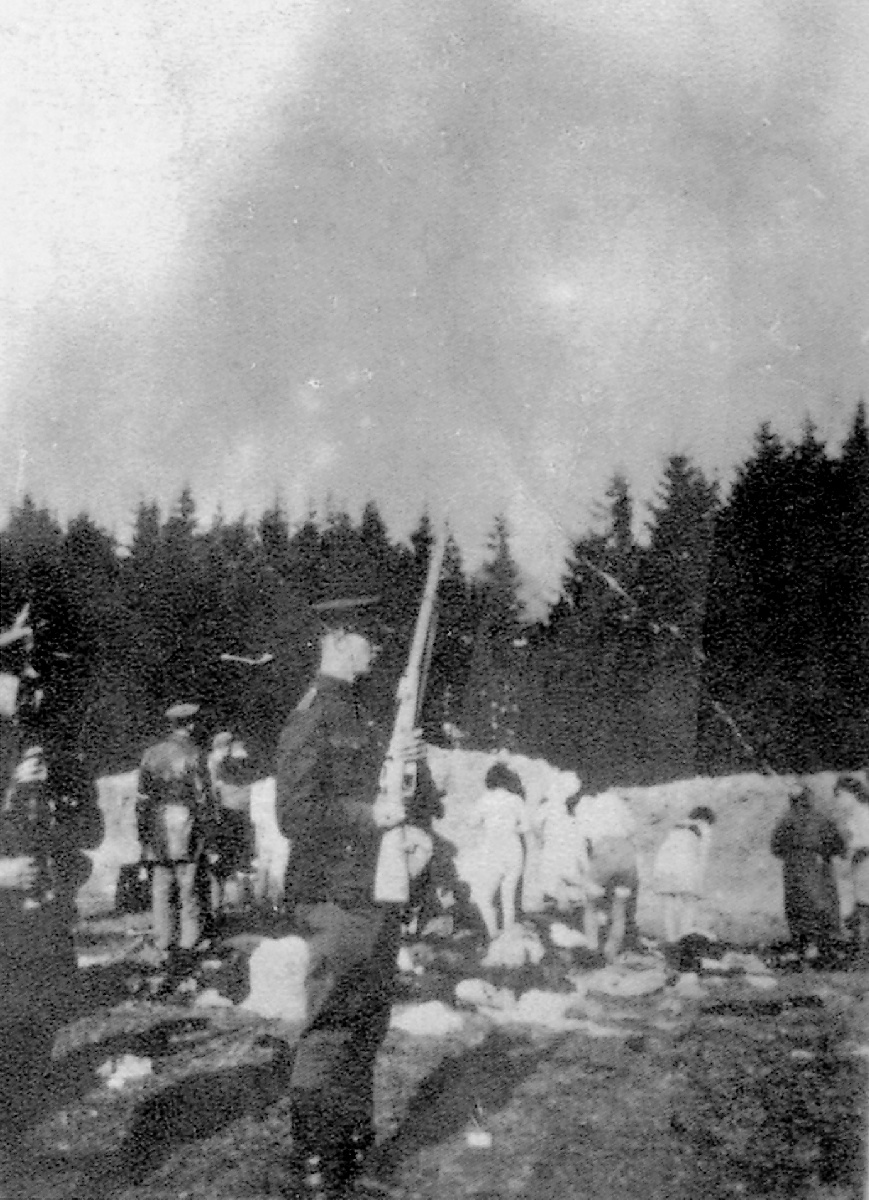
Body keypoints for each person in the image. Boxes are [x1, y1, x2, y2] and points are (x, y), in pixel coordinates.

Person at [274, 594, 430, 1200]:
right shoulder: (313, 714)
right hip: (334, 894)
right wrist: (370, 815)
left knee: (367, 1021)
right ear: (338, 638)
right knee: (333, 1022)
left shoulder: (364, 711)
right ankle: (317, 1153)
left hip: (375, 889)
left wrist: (407, 767)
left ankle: (351, 1139)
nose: (378, 646)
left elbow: (390, 791)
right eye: (368, 636)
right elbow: (295, 814)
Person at [0, 610, 77, 1139]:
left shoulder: (24, 739)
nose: (31, 682)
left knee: (33, 1030)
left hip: (32, 918)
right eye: (16, 670)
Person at [137, 701, 209, 990]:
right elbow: (204, 797)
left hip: (157, 825)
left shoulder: (150, 754)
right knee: (188, 889)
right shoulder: (195, 754)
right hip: (186, 825)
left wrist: (143, 835)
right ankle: (189, 946)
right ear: (190, 725)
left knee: (161, 889)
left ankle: (163, 943)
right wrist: (209, 833)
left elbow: (142, 797)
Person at [770, 785, 846, 962]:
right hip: (819, 865)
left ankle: (803, 945)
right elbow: (838, 844)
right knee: (822, 904)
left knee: (797, 904)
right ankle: (824, 946)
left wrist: (792, 855)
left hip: (794, 867)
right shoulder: (821, 819)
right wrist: (826, 853)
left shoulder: (785, 821)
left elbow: (775, 847)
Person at [459, 760, 529, 941]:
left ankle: (493, 933)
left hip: (493, 849)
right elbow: (526, 826)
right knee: (508, 897)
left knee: (484, 897)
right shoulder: (516, 800)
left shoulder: (485, 800)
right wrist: (511, 828)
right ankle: (508, 936)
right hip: (513, 848)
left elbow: (472, 822)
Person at [573, 787, 640, 960]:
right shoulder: (616, 800)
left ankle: (592, 949)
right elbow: (632, 828)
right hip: (626, 853)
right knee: (619, 908)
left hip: (604, 850)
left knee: (591, 905)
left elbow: (582, 835)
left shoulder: (585, 804)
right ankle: (612, 952)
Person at [652, 806, 717, 945]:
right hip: (685, 864)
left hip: (663, 865)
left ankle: (671, 940)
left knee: (669, 903)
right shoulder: (704, 828)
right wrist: (699, 883)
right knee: (690, 902)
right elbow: (703, 855)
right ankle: (684, 936)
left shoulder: (677, 826)